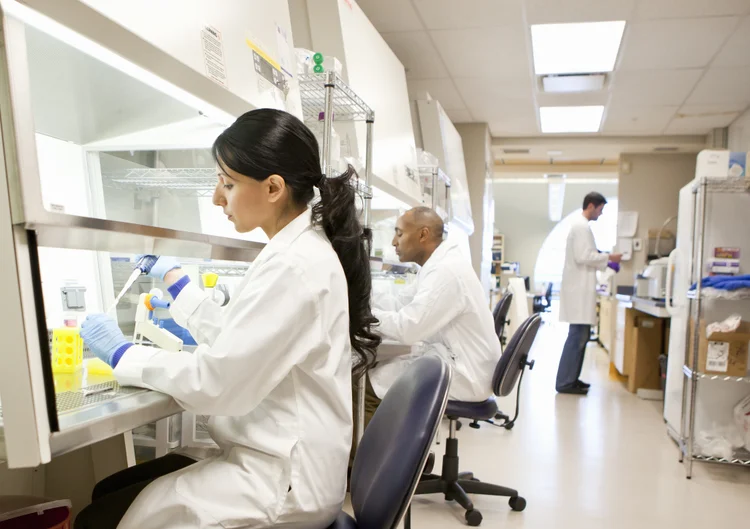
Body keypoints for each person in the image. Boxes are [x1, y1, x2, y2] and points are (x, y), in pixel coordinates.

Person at [75, 109, 380, 529]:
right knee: (110, 492)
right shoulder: (296, 251)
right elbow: (246, 339)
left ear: (273, 188)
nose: (219, 198)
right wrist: (178, 286)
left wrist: (124, 353)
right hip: (276, 460)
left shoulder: (295, 265)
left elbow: (219, 381)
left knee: (101, 517)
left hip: (282, 482)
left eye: (228, 183)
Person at [363, 207, 502, 426]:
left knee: (366, 389)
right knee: (375, 372)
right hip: (462, 363)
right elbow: (401, 302)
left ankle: (381, 460)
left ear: (423, 234)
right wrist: (362, 297)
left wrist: (364, 317)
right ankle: (403, 455)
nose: (393, 242)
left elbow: (408, 330)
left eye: (399, 233)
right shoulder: (437, 266)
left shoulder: (446, 272)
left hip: (466, 375)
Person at [556, 192, 621, 395]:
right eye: (600, 209)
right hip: (578, 292)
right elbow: (584, 255)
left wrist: (605, 259)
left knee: (581, 336)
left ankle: (572, 379)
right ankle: (565, 382)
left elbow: (587, 254)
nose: (601, 214)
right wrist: (609, 257)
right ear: (591, 206)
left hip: (580, 291)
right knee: (577, 337)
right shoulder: (580, 226)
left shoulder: (582, 228)